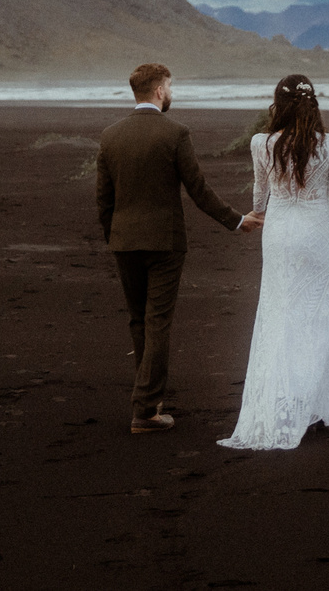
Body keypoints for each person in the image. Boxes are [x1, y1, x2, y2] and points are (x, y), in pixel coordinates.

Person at [94, 62, 250, 434]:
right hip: (164, 243)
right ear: (160, 90)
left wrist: (113, 236)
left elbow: (103, 199)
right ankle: (145, 410)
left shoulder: (110, 136)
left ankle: (148, 401)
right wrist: (237, 220)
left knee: (138, 320)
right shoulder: (176, 133)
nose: (171, 92)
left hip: (124, 241)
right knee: (157, 321)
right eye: (170, 86)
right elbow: (198, 189)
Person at [220, 73, 329, 451]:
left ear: (278, 104)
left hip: (279, 235)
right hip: (315, 238)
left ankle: (285, 403)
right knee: (314, 316)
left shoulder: (262, 143)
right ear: (313, 104)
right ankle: (308, 405)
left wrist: (256, 215)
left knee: (279, 313)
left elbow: (259, 192)